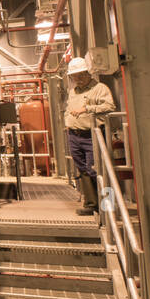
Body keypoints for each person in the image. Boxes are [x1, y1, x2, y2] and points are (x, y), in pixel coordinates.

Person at [64, 57, 114, 215]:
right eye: (74, 76)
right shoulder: (73, 92)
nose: (76, 79)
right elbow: (69, 109)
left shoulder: (100, 88)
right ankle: (92, 204)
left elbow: (110, 106)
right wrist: (68, 121)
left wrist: (87, 109)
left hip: (92, 134)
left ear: (87, 73)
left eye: (79, 75)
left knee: (98, 169)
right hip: (74, 135)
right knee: (83, 170)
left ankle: (108, 206)